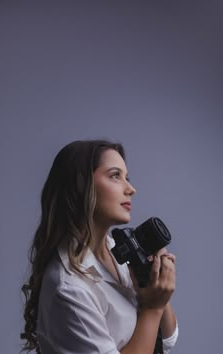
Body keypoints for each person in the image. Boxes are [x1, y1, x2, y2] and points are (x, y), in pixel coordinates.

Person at [21, 139, 178, 354]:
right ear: (81, 184)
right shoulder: (69, 287)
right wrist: (152, 308)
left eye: (127, 178)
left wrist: (153, 286)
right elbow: (153, 322)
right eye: (115, 176)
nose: (131, 189)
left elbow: (167, 340)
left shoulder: (116, 250)